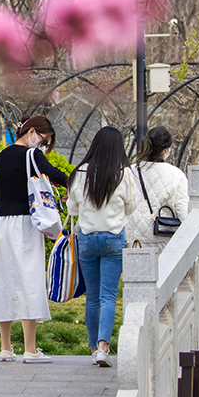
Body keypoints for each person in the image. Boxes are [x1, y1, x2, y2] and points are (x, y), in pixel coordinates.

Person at [0, 114, 70, 362]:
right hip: (25, 223)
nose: (41, 145)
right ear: (32, 132)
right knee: (29, 279)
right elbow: (58, 175)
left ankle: (5, 347)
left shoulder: (3, 156)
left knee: (3, 279)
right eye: (43, 139)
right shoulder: (33, 156)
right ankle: (30, 349)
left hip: (1, 223)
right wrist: (70, 185)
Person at [66, 126, 143, 367]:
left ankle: (91, 348)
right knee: (109, 296)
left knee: (93, 297)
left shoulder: (79, 172)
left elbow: (72, 209)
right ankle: (103, 347)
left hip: (87, 239)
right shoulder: (125, 174)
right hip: (113, 239)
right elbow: (131, 207)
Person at [128, 126, 189, 249]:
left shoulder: (129, 171)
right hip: (163, 239)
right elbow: (182, 213)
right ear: (166, 150)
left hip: (134, 241)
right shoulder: (177, 175)